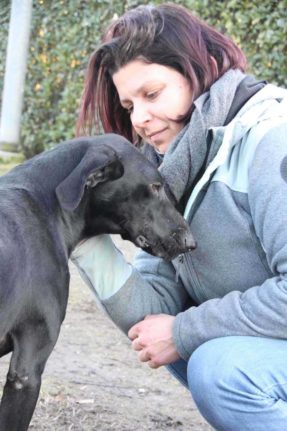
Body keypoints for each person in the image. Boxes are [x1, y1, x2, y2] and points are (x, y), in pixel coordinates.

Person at [72, 4, 287, 430]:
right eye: (130, 105)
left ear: (200, 70)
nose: (140, 119)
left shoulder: (270, 140)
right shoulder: (172, 167)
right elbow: (153, 314)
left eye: (152, 95)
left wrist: (186, 330)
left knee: (220, 368)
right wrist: (84, 232)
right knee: (188, 346)